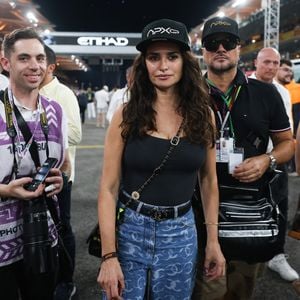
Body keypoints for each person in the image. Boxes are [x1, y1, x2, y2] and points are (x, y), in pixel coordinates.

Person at [97, 18, 225, 300]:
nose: (163, 66)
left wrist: (213, 241)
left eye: (172, 57)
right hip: (130, 228)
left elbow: (208, 180)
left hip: (181, 233)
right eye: (154, 57)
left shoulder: (204, 115)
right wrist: (108, 256)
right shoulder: (126, 114)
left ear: (184, 62)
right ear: (144, 64)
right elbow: (108, 188)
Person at [192, 17, 294, 300]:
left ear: (239, 49)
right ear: (204, 51)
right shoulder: (188, 95)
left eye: (228, 43)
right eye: (213, 44)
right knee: (204, 292)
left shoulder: (266, 93)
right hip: (197, 211)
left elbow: (287, 144)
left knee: (239, 293)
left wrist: (267, 160)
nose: (221, 48)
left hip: (249, 213)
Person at [0, 27, 70, 300]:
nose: (35, 66)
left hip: (42, 235)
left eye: (40, 58)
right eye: (24, 58)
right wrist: (6, 190)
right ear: (6, 63)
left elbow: (62, 165)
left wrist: (59, 179)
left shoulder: (55, 110)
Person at [249, 48, 299, 282]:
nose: (271, 66)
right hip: (250, 158)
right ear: (256, 63)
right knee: (248, 209)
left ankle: (276, 255)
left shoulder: (282, 92)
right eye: (266, 62)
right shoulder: (244, 86)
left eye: (275, 63)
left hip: (276, 158)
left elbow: (286, 130)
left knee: (280, 206)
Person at [40, 45, 82, 300]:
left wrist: (38, 125)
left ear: (51, 66)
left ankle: (66, 282)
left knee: (61, 228)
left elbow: (76, 133)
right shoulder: (20, 91)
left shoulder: (62, 94)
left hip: (59, 175)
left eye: (39, 60)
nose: (32, 66)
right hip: (25, 176)